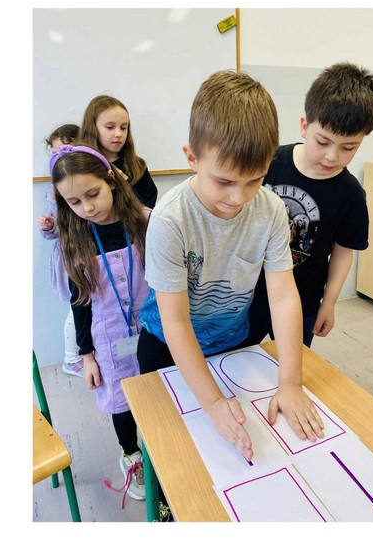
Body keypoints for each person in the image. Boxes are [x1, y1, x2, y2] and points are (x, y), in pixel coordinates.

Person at [136, 70, 324, 464]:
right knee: (175, 459)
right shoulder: (170, 220)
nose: (238, 197)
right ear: (192, 157)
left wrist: (290, 382)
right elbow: (175, 322)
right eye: (223, 181)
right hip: (166, 349)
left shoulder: (271, 210)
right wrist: (212, 403)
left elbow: (283, 295)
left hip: (233, 343)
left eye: (255, 180)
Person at [243, 62, 373, 348]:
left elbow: (343, 252)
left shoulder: (351, 194)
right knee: (235, 362)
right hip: (247, 296)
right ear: (305, 126)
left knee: (294, 365)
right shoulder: (269, 163)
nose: (332, 156)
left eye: (348, 148)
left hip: (302, 303)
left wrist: (329, 303)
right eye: (323, 142)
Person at [50, 144, 151, 502]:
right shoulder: (75, 240)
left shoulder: (143, 222)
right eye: (75, 202)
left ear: (111, 179)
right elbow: (80, 303)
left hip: (152, 329)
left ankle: (159, 446)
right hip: (107, 338)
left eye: (92, 194)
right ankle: (132, 455)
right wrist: (87, 355)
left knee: (157, 391)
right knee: (121, 401)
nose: (87, 208)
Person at [37, 123, 85, 378]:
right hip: (70, 258)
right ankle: (71, 358)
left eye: (67, 151)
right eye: (56, 153)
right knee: (76, 307)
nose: (61, 158)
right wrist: (49, 226)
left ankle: (82, 354)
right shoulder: (56, 190)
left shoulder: (89, 178)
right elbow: (56, 228)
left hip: (86, 254)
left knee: (86, 305)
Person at [79, 95, 158, 208]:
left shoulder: (137, 166)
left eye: (123, 127)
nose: (119, 134)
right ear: (92, 128)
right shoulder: (80, 168)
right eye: (110, 127)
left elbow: (149, 201)